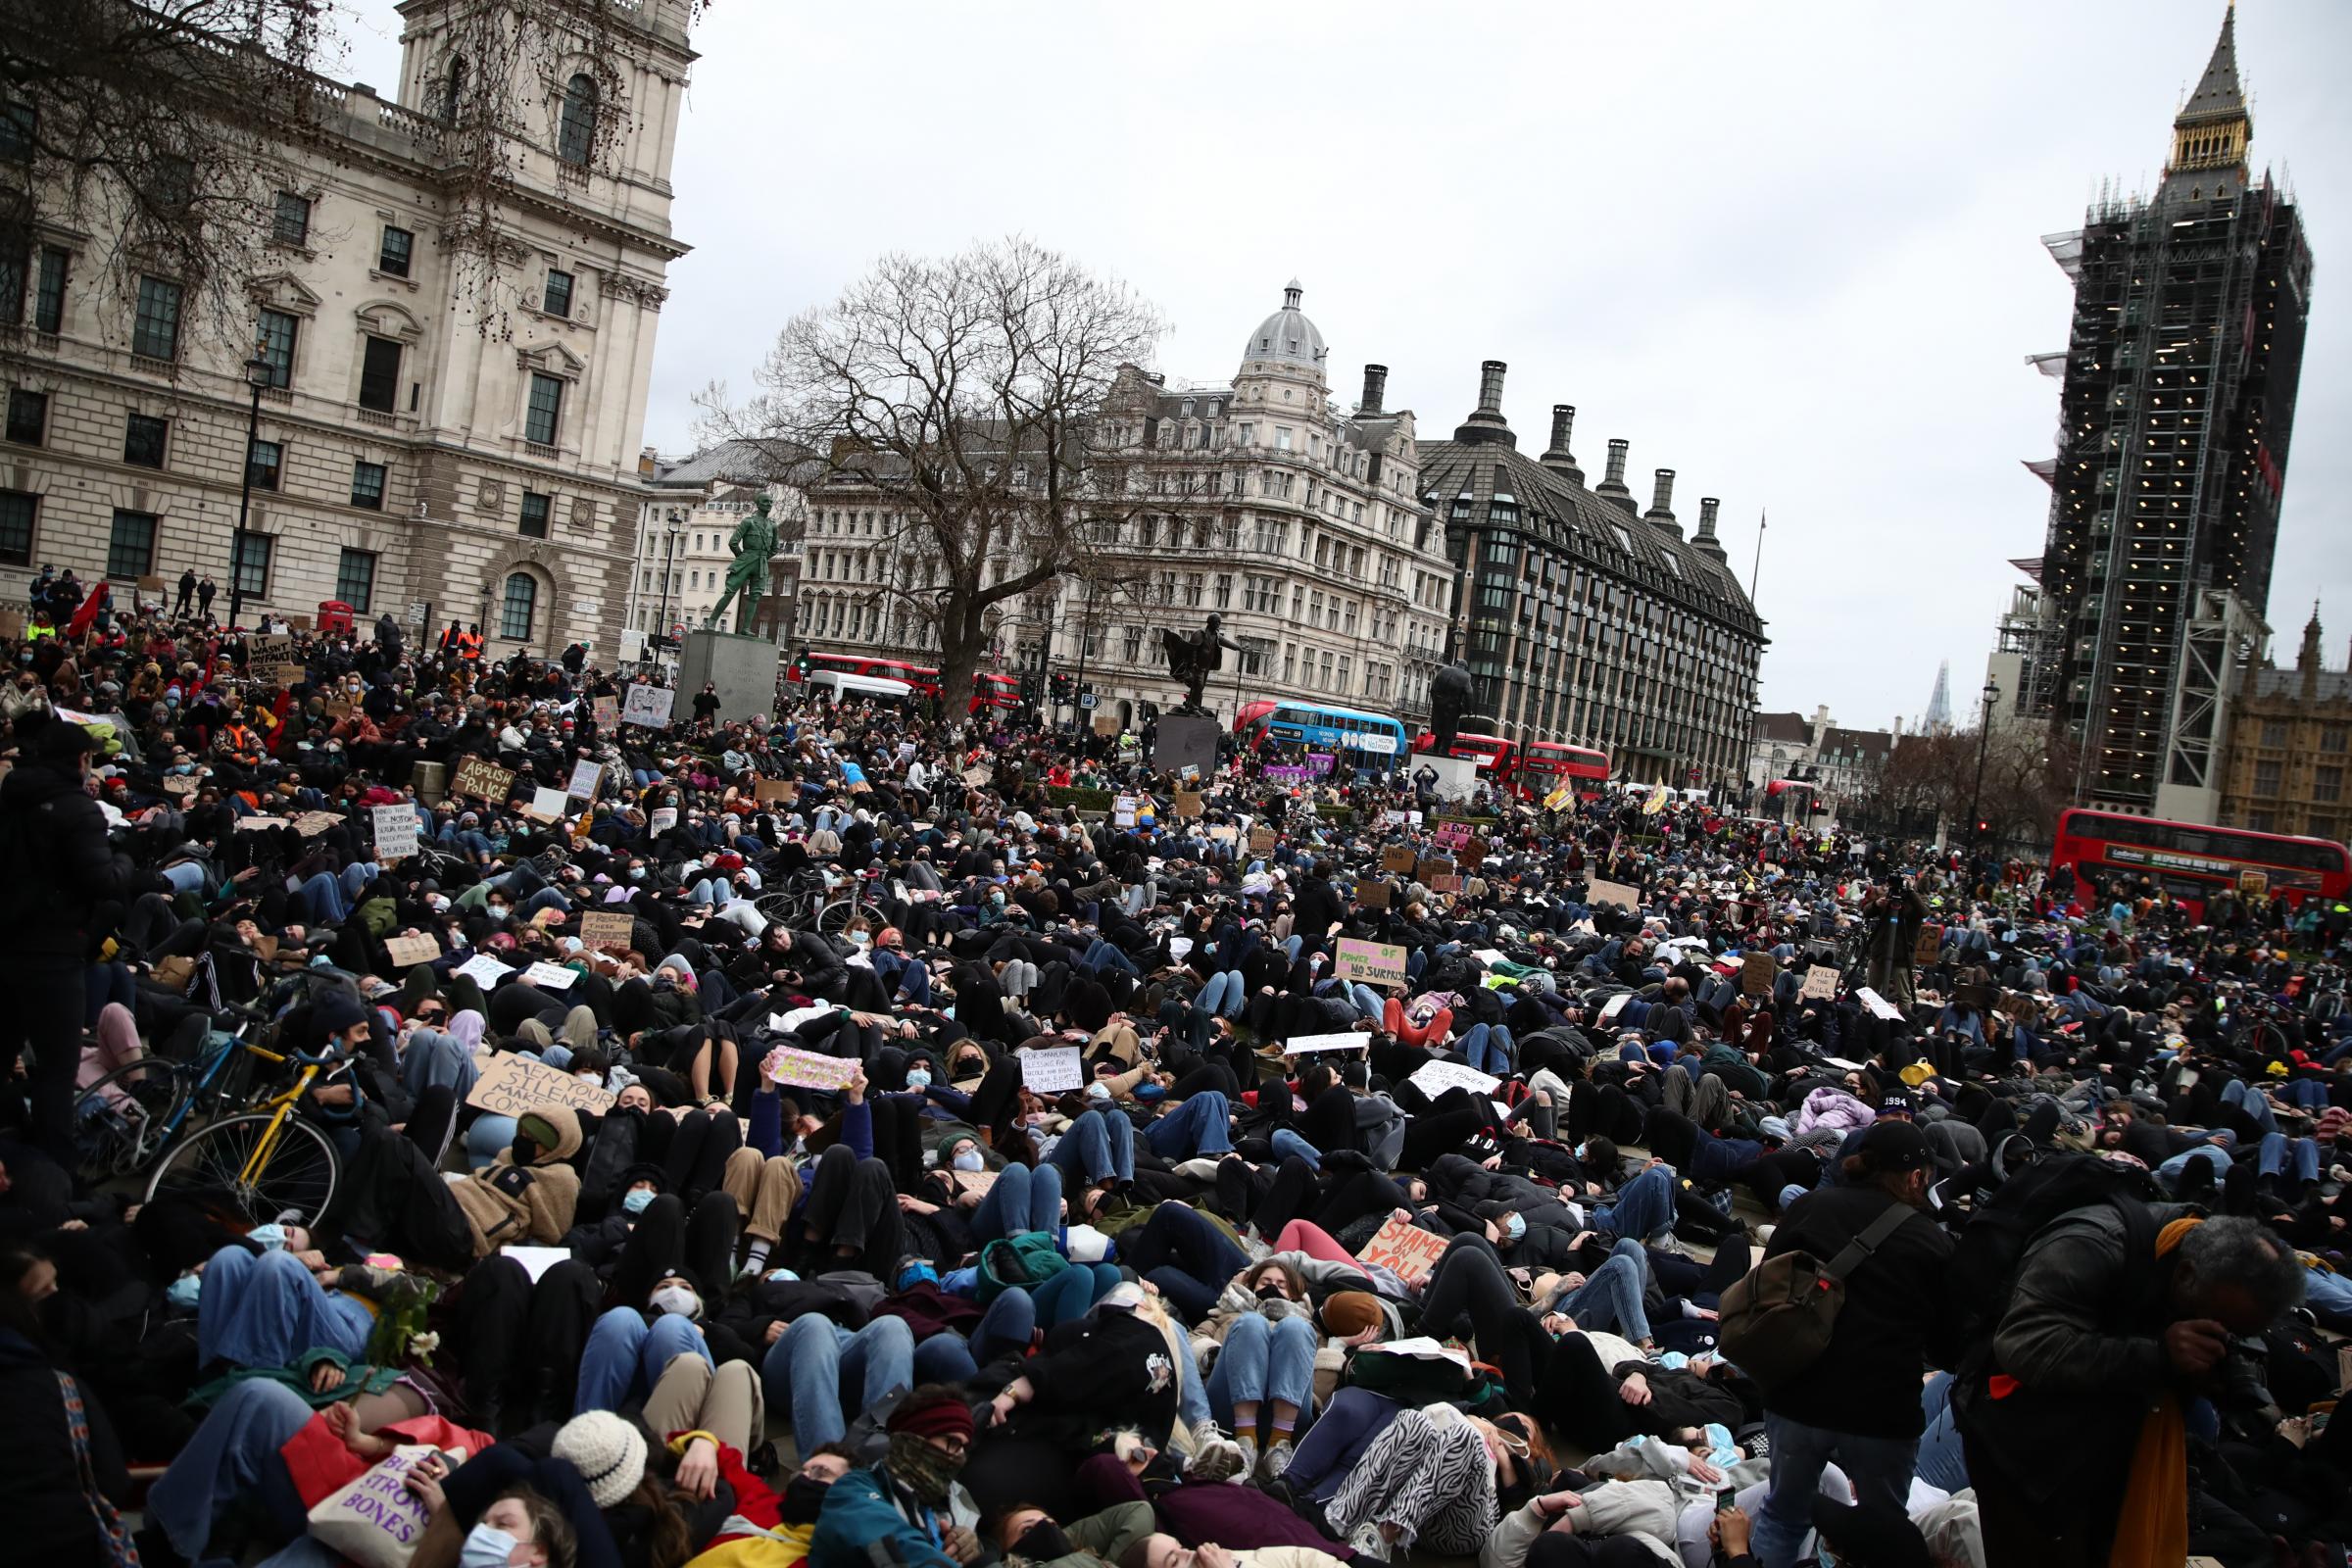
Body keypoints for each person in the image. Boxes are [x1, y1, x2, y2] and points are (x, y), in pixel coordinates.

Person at [1959, 1210, 2306, 1566]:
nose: (2219, 1337)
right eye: (2216, 1324)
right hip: (2014, 1447)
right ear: (2186, 1276)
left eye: (2235, 1335)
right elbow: (2022, 1344)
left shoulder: (2202, 1268)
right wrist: (2158, 1356)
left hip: (2100, 1445)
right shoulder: (2093, 1245)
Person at [1747, 1118, 1956, 1568]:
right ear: (1917, 1176)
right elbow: (1948, 1344)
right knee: (1879, 1540)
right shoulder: (1931, 1242)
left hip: (1797, 1393)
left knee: (1783, 1515)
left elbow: (1766, 1284)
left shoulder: (1811, 1207)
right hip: (1881, 1411)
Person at [0, 715, 138, 1162]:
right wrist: (124, 862)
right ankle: (57, 1177)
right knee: (56, 1072)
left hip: (7, 943)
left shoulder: (11, 797)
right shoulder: (77, 809)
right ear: (81, 759)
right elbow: (101, 881)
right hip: (52, 952)